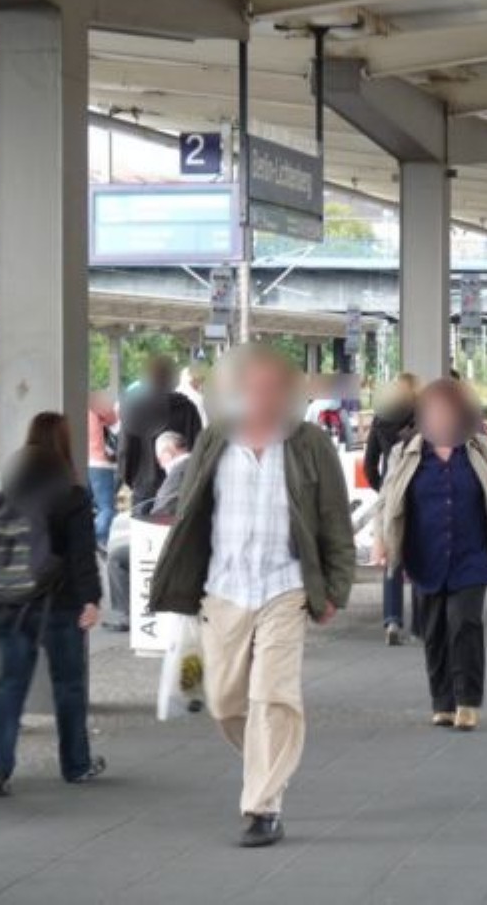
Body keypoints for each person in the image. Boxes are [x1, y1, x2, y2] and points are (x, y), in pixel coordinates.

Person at [149, 346, 355, 849]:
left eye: (274, 388)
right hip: (224, 590)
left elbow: (334, 519)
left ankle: (263, 806)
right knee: (224, 703)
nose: (264, 396)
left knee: (273, 696)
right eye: (253, 387)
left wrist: (336, 588)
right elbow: (192, 510)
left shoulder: (309, 444)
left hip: (285, 587)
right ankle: (268, 761)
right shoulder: (216, 439)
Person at [374, 378, 487, 731]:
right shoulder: (405, 451)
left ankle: (467, 701)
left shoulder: (478, 447)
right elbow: (386, 500)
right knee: (434, 629)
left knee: (464, 622)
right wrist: (381, 540)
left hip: (472, 552)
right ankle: (442, 702)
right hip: (425, 552)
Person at [0, 412, 105, 796]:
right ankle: (76, 764)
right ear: (63, 446)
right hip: (59, 600)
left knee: (9, 684)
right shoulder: (71, 495)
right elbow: (82, 554)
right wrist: (91, 599)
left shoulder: (9, 494)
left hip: (12, 600)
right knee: (68, 685)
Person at [104, 431, 192, 633]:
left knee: (117, 558)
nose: (160, 466)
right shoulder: (194, 465)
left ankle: (127, 615)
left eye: (160, 460)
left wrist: (144, 522)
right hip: (185, 537)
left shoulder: (180, 472)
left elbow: (163, 511)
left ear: (168, 453)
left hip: (170, 541)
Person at [364, 373, 419, 643]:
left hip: (391, 489)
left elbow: (368, 465)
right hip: (418, 489)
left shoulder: (380, 420)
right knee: (421, 556)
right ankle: (420, 625)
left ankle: (392, 620)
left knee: (391, 556)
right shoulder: (420, 418)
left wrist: (383, 488)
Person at [118, 356, 203, 503]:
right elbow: (197, 449)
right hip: (179, 487)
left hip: (143, 487)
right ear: (174, 379)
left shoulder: (133, 409)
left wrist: (132, 481)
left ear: (146, 378)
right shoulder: (187, 408)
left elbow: (124, 451)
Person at [87, 390, 119, 547]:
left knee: (85, 505)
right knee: (106, 508)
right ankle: (99, 539)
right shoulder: (95, 404)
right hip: (99, 462)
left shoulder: (70, 404)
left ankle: (86, 539)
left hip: (80, 463)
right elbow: (114, 421)